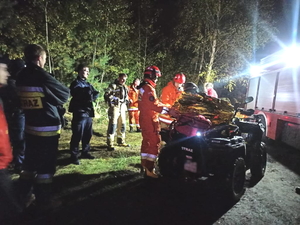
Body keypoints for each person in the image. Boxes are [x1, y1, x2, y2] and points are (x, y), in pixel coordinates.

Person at [16, 44, 69, 209]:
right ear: (39, 58)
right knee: (45, 169)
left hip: (30, 127)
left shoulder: (21, 75)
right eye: (45, 59)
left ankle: (23, 196)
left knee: (29, 166)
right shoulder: (41, 76)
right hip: (47, 129)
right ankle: (44, 201)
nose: (45, 62)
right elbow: (64, 94)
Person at [0, 55, 23, 222]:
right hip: (0, 166)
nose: (7, 73)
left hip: (3, 165)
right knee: (11, 212)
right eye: (3, 69)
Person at [138, 65, 169, 178]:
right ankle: (149, 170)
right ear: (151, 75)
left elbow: (153, 103)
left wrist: (165, 106)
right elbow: (154, 105)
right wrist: (168, 110)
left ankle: (144, 166)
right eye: (156, 77)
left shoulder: (143, 87)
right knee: (154, 142)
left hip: (144, 117)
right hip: (150, 119)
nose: (156, 79)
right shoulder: (149, 88)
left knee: (146, 142)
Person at [68, 64, 99, 165]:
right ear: (80, 71)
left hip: (88, 112)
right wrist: (87, 94)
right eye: (85, 70)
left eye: (88, 71)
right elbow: (77, 93)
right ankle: (74, 155)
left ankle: (85, 152)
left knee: (88, 134)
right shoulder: (75, 83)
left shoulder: (88, 84)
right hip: (80, 112)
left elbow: (95, 93)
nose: (88, 72)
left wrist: (91, 96)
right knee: (77, 134)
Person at [0, 59, 26, 173]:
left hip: (15, 114)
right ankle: (19, 163)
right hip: (17, 114)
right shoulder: (12, 84)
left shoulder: (12, 83)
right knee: (19, 139)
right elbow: (18, 100)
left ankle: (18, 160)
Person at [104, 73, 130, 151]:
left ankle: (121, 141)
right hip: (115, 107)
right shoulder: (113, 86)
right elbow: (106, 94)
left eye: (125, 79)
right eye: (122, 79)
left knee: (122, 124)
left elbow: (126, 95)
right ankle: (110, 143)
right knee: (113, 125)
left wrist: (128, 100)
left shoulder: (125, 87)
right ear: (118, 78)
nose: (123, 80)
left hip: (123, 107)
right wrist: (114, 99)